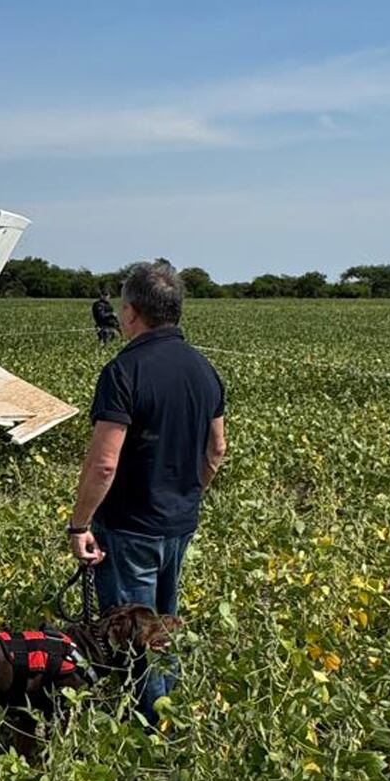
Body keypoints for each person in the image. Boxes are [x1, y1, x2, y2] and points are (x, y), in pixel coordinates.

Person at [66, 262, 226, 726]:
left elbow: (103, 463)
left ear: (131, 312)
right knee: (163, 625)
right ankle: (168, 713)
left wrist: (80, 525)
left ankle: (151, 729)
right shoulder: (204, 370)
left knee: (133, 632)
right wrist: (186, 496)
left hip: (129, 526)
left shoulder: (123, 370)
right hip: (179, 523)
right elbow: (216, 450)